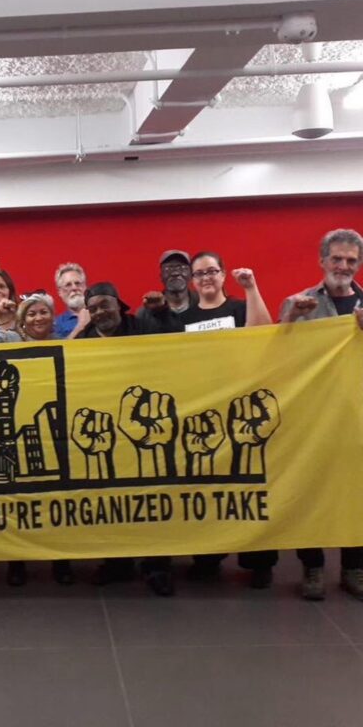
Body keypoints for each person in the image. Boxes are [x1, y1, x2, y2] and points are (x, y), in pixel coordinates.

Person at [74, 281, 178, 596]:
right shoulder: (83, 340)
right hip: (107, 431)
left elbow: (176, 343)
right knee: (111, 500)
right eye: (93, 308)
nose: (99, 312)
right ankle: (117, 563)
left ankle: (157, 566)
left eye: (104, 305)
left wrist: (163, 312)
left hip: (146, 426)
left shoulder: (142, 326)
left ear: (118, 304)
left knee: (151, 498)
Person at [179, 252, 276, 588]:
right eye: (199, 273)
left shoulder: (238, 308)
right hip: (203, 413)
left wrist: (251, 287)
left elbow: (263, 334)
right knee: (207, 486)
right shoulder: (185, 318)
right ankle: (208, 558)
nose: (206, 277)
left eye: (212, 271)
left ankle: (260, 562)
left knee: (251, 483)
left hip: (243, 409)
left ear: (222, 275)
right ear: (192, 281)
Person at [279, 227, 363, 601]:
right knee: (310, 491)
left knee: (357, 493)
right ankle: (312, 567)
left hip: (357, 416)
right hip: (313, 416)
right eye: (337, 258)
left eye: (351, 260)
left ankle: (354, 568)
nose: (343, 266)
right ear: (322, 261)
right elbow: (275, 354)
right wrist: (290, 319)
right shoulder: (298, 303)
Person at [6, 292, 75, 586]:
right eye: (31, 313)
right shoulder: (10, 341)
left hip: (54, 427)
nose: (38, 318)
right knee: (18, 497)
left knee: (56, 497)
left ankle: (61, 560)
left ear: (52, 316)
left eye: (43, 312)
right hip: (18, 425)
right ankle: (16, 560)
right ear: (22, 320)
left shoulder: (64, 341)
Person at [136, 250, 197, 326]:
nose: (175, 273)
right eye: (168, 268)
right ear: (161, 276)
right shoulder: (145, 314)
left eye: (182, 268)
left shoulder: (204, 304)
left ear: (191, 275)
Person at [52, 263, 88, 339]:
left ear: (85, 287)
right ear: (60, 292)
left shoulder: (99, 313)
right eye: (68, 285)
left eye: (78, 283)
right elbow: (59, 346)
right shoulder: (57, 324)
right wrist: (80, 326)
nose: (74, 288)